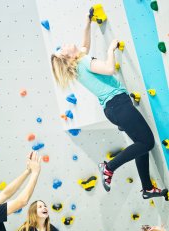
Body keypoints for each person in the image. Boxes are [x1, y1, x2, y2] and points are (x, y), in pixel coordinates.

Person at [50, 15, 168, 200]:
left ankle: (147, 188)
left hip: (113, 109)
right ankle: (109, 167)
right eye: (61, 49)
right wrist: (111, 49)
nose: (64, 45)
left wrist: (87, 23)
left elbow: (85, 44)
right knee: (147, 143)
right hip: (119, 105)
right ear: (67, 57)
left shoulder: (79, 62)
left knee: (141, 145)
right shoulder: (83, 62)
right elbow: (109, 69)